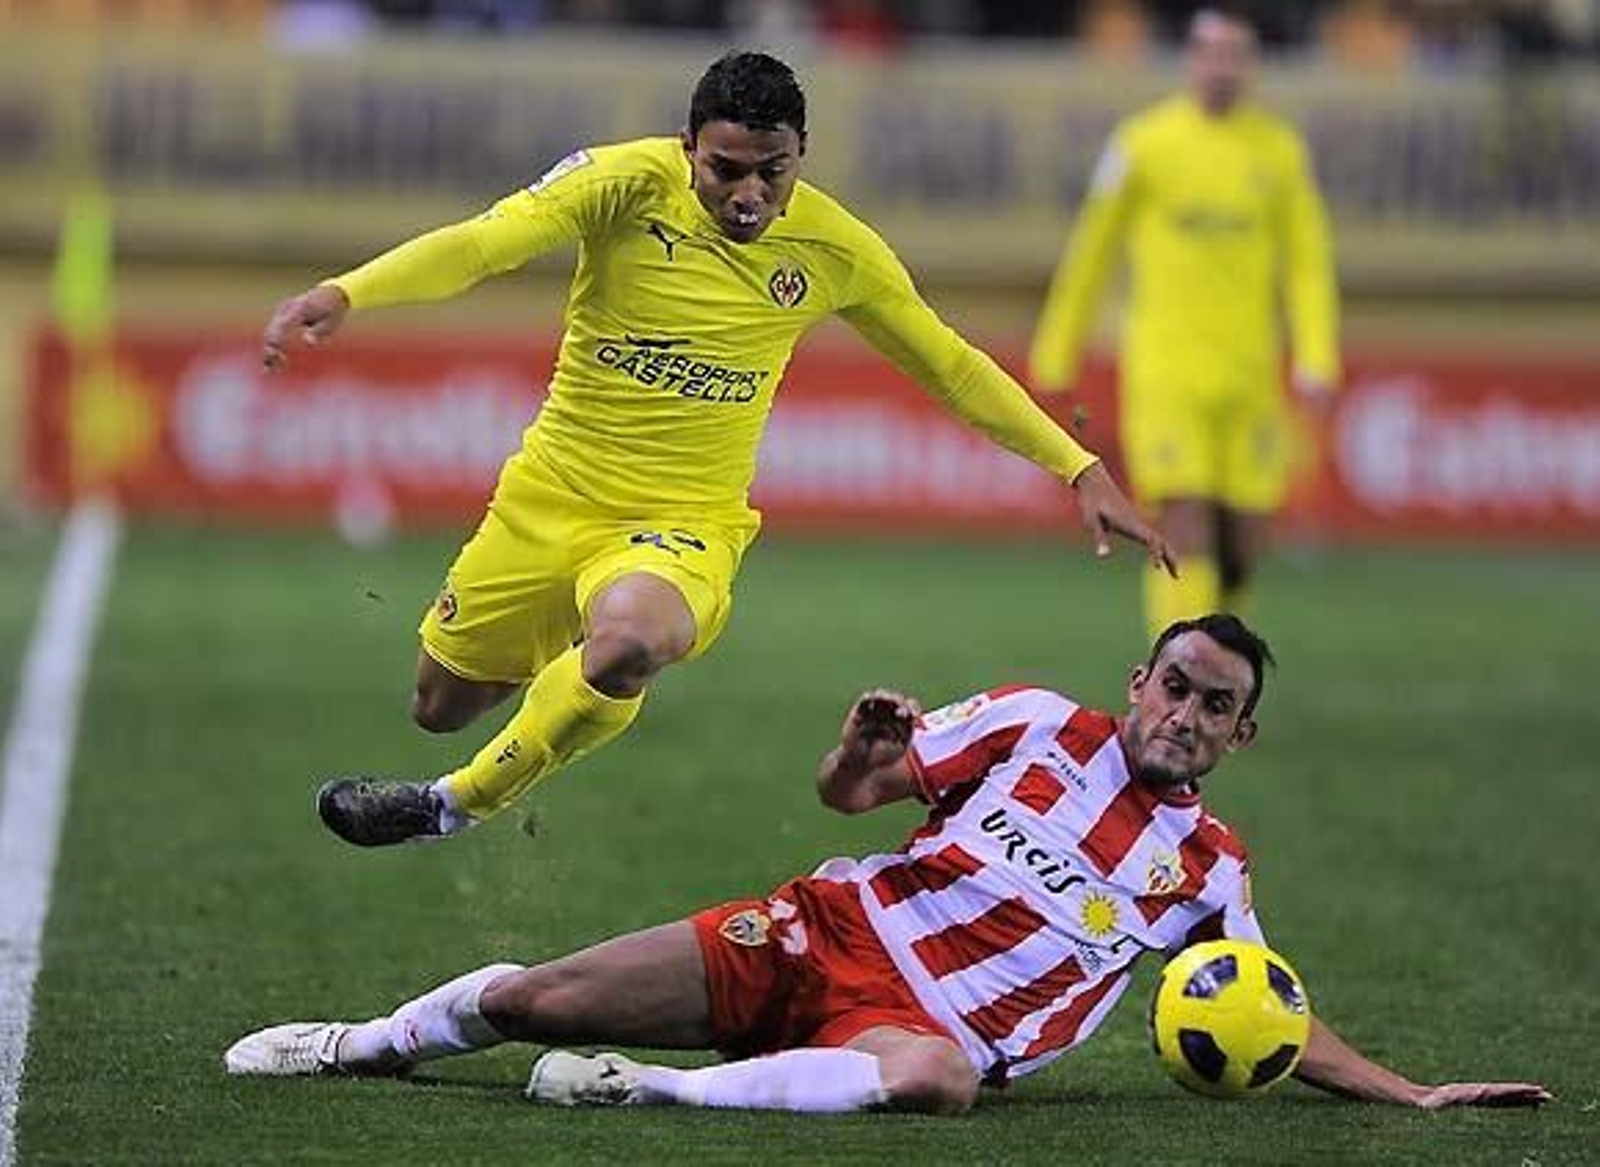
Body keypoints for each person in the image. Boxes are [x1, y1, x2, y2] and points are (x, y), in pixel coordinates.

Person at [261, 50, 1171, 849]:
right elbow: (484, 244)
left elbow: (951, 364)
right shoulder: (619, 184)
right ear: (686, 146)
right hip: (549, 497)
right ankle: (574, 662)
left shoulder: (836, 248)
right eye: (725, 171)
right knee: (439, 705)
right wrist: (350, 292)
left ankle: (452, 803)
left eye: (772, 173)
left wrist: (1078, 466)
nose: (749, 196)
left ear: (801, 154)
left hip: (684, 525)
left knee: (631, 642)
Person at [224, 615, 1549, 1116]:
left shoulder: (1208, 869)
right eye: (1177, 686)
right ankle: (356, 1043)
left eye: (1218, 706)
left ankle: (651, 1092)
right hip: (826, 929)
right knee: (533, 1001)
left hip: (920, 1033)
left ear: (1238, 734)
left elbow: (1264, 1009)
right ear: (1138, 681)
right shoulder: (1030, 724)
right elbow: (848, 794)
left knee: (939, 1080)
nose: (1187, 715)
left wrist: (1410, 1090)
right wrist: (860, 753)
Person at [1028, 7, 1339, 640]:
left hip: (1250, 376)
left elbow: (1307, 262)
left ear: (1251, 64)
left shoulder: (1280, 151)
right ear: (1190, 59)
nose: (1222, 67)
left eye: (1235, 54)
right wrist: (1055, 350)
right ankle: (1177, 671)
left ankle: (1219, 662)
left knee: (1244, 541)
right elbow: (1092, 252)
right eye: (1211, 53)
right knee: (1185, 521)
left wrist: (1317, 354)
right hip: (1167, 372)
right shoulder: (1142, 144)